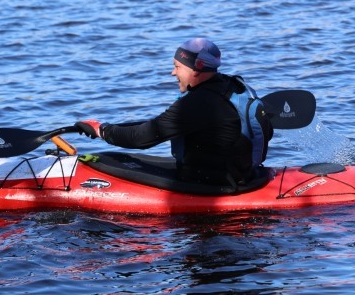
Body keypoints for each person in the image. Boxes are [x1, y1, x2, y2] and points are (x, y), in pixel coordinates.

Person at [74, 38, 273, 187]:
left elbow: (142, 138)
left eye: (177, 66)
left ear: (197, 68)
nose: (173, 73)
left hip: (213, 185)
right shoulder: (232, 86)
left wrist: (101, 130)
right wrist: (109, 127)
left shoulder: (198, 102)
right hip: (242, 174)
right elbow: (159, 125)